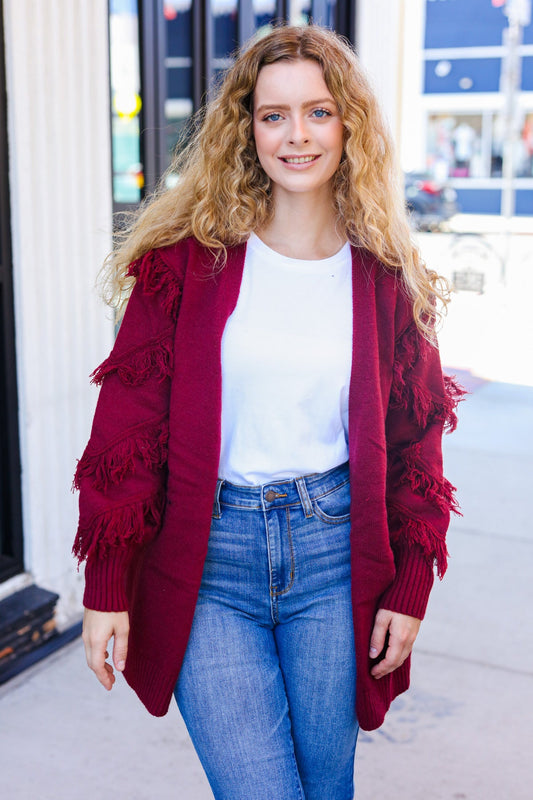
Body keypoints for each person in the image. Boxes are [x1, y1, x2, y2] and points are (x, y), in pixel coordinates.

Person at [74, 24, 464, 800]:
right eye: (273, 114)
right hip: (207, 560)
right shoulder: (184, 263)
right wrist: (107, 583)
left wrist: (410, 581)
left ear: (348, 125)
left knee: (325, 788)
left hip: (333, 558)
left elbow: (415, 441)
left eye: (317, 112)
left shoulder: (385, 276)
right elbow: (126, 426)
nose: (296, 136)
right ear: (245, 129)